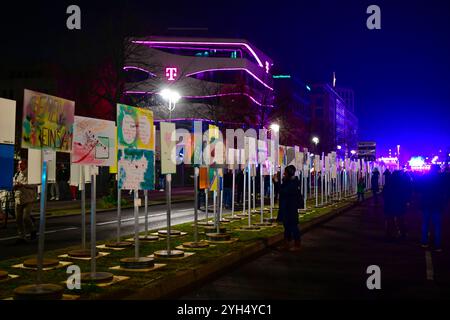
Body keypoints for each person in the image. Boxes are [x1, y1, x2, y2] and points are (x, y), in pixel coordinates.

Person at [417, 165, 447, 251]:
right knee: (437, 225)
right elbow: (445, 191)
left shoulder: (425, 177)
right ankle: (437, 245)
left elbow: (420, 189)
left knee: (425, 224)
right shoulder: (442, 178)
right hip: (437, 203)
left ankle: (424, 242)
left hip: (426, 203)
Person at [277, 165, 302, 252]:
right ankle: (286, 244)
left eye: (285, 172)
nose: (284, 173)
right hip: (286, 207)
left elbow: (283, 191)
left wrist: (276, 183)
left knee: (293, 226)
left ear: (289, 173)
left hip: (291, 207)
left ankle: (297, 244)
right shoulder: (288, 181)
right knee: (286, 226)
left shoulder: (293, 183)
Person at [13, 159, 37, 244]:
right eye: (19, 164)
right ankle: (22, 237)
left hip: (29, 199)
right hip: (18, 199)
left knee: (26, 217)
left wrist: (23, 185)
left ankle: (33, 230)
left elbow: (34, 185)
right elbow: (13, 183)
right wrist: (14, 186)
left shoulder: (31, 174)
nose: (19, 166)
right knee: (18, 220)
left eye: (21, 164)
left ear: (26, 165)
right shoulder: (17, 174)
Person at [383, 170, 409, 241]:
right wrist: (406, 202)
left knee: (390, 220)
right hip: (399, 204)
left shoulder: (389, 183)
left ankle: (389, 234)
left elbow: (384, 194)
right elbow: (405, 194)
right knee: (400, 219)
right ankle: (403, 233)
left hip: (390, 204)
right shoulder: (402, 183)